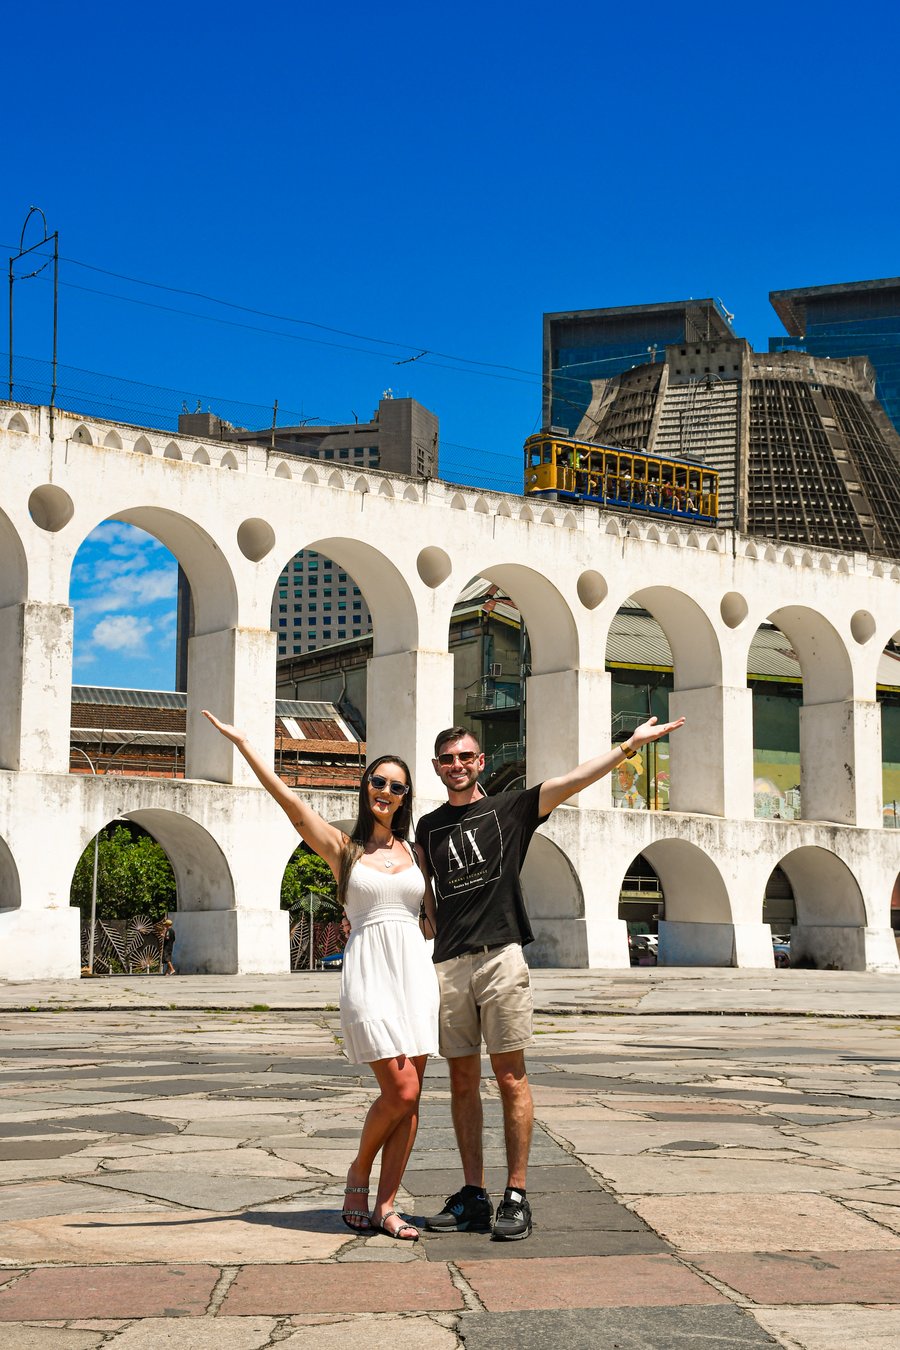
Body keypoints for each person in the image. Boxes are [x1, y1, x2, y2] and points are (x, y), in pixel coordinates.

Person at [415, 714, 684, 1241]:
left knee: (511, 1074)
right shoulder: (427, 826)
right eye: (447, 759)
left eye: (466, 756)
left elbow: (574, 779)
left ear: (481, 762)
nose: (457, 765)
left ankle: (516, 1194)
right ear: (436, 767)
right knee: (462, 1080)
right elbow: (427, 887)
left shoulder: (511, 808)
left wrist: (629, 747)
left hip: (500, 958)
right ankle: (473, 1194)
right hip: (447, 963)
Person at [202, 709, 439, 1242]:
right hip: (369, 974)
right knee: (399, 1091)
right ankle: (359, 1171)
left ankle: (387, 1204)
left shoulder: (416, 851)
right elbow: (291, 803)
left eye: (396, 786)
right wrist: (245, 745)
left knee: (414, 1096)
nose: (386, 791)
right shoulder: (343, 848)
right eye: (377, 781)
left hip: (414, 972)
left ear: (405, 797)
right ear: (365, 788)